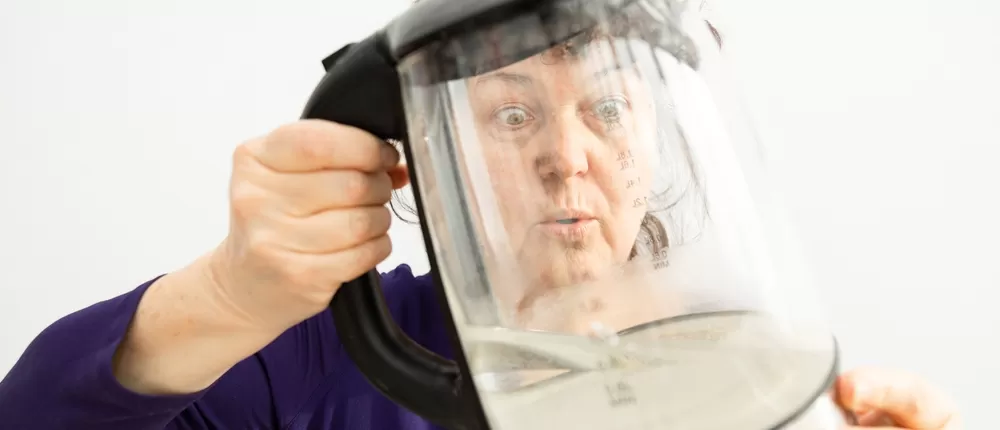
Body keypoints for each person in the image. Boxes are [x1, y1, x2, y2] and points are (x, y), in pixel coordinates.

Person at [0, 15, 960, 430]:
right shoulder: (310, 366)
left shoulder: (750, 377)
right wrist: (220, 296)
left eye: (609, 108)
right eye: (511, 113)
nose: (565, 153)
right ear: (427, 158)